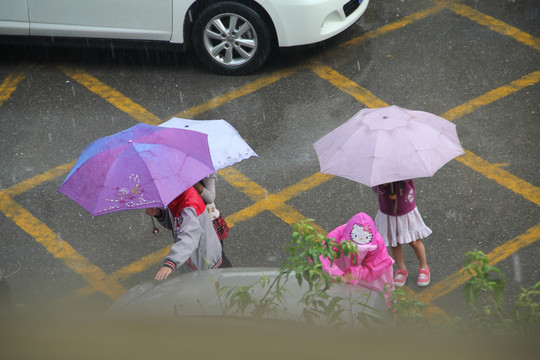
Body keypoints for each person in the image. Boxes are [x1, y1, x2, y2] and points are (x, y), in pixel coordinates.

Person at [145, 186, 223, 280]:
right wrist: (159, 213)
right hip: (192, 260)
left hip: (203, 264)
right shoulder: (176, 197)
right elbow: (177, 224)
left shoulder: (189, 205)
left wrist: (171, 262)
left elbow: (189, 237)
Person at [320, 212, 394, 301]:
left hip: (369, 275)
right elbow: (323, 254)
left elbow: (377, 265)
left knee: (367, 298)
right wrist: (337, 274)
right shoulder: (337, 235)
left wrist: (352, 274)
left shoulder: (378, 242)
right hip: (345, 267)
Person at [372, 180, 432, 287]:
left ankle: (424, 266)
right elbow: (375, 188)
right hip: (387, 211)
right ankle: (401, 269)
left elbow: (409, 179)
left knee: (414, 241)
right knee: (394, 242)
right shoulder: (380, 173)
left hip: (406, 210)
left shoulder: (403, 169)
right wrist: (384, 184)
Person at [193, 173, 232, 267]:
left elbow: (210, 198)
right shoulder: (175, 180)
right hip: (191, 224)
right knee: (198, 261)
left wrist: (194, 184)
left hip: (209, 222)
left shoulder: (206, 172)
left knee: (217, 257)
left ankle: (226, 277)